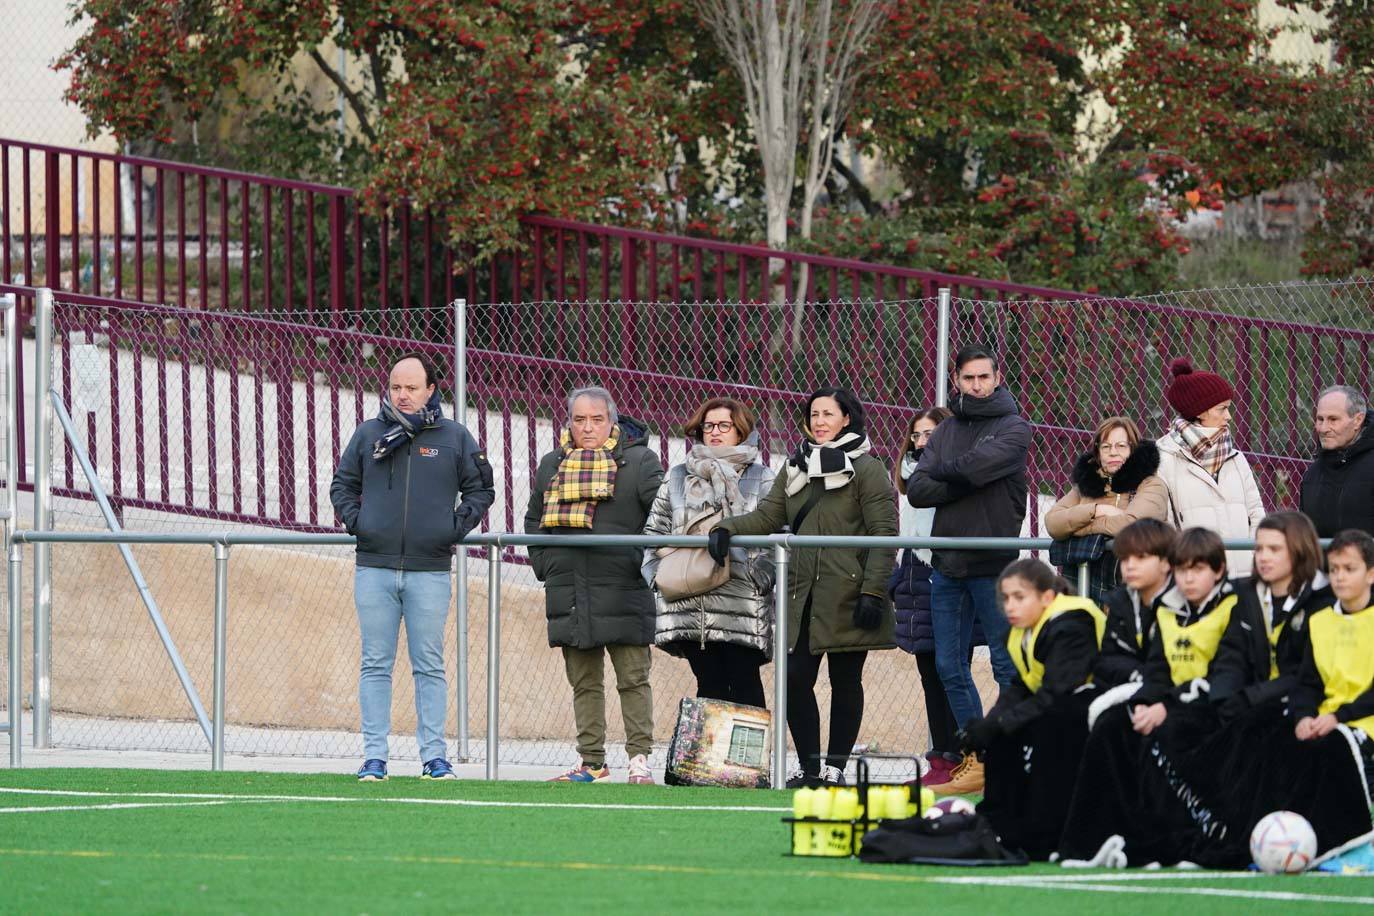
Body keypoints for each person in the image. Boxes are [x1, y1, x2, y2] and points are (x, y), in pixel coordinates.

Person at [709, 387, 897, 788]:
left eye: (828, 414)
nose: (820, 422)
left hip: (849, 594)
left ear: (847, 418)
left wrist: (873, 591)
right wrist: (726, 527)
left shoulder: (867, 469)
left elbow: (884, 533)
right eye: (814, 414)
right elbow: (767, 516)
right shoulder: (796, 466)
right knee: (794, 679)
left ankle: (835, 769)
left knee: (846, 681)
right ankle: (811, 768)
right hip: (802, 596)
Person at [330, 351, 495, 782]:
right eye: (396, 387)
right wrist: (359, 523)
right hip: (374, 568)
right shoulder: (368, 435)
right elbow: (342, 484)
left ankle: (435, 758)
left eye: (411, 387)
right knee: (375, 663)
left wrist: (452, 529)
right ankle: (374, 758)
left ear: (431, 390)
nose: (402, 395)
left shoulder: (454, 437)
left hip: (430, 570)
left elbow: (481, 489)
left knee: (429, 664)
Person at [1059, 528, 1258, 866]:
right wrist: (1147, 702)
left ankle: (1177, 842)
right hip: (1171, 700)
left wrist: (1165, 706)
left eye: (1197, 570)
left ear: (1219, 571)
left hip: (1216, 705)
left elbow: (1226, 675)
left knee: (1168, 731)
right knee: (1112, 724)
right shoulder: (1165, 610)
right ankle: (1094, 841)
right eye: (1184, 570)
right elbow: (1155, 669)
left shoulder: (1235, 608)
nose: (1188, 578)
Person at [907, 344, 1031, 796]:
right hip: (947, 565)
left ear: (997, 377)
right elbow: (918, 489)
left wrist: (948, 474)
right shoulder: (945, 431)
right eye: (968, 378)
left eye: (983, 377)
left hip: (994, 567)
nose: (976, 385)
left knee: (1006, 665)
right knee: (948, 666)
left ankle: (1012, 752)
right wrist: (965, 475)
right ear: (956, 380)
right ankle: (979, 756)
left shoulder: (1015, 427)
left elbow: (980, 468)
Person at [525, 387, 665, 784]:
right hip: (570, 590)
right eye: (579, 419)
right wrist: (546, 565)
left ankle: (639, 761)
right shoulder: (552, 463)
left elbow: (662, 515)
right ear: (569, 422)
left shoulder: (639, 461)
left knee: (633, 680)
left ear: (612, 423)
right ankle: (592, 764)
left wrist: (642, 565)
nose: (587, 428)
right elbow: (534, 520)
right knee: (584, 683)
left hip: (624, 588)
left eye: (596, 419)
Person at [960, 559, 1104, 859]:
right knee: (1000, 735)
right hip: (1060, 703)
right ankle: (997, 823)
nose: (1010, 606)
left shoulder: (1072, 624)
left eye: (1019, 597)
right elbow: (1023, 686)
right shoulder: (1023, 631)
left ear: (1047, 598)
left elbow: (1059, 691)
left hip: (1094, 706)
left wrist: (1004, 723)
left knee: (1042, 727)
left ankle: (1044, 833)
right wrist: (990, 725)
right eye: (1006, 598)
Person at [642, 397, 774, 707]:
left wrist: (759, 577)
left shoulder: (761, 476)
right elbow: (654, 533)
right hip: (688, 601)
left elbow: (777, 535)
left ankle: (746, 757)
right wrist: (658, 578)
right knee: (709, 685)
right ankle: (709, 758)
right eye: (708, 425)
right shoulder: (676, 475)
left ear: (740, 431)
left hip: (741, 599)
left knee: (745, 685)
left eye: (724, 425)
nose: (715, 432)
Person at [888, 406, 973, 787]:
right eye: (917, 436)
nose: (922, 443)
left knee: (953, 671)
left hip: (949, 577)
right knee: (929, 675)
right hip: (916, 582)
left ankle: (963, 758)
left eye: (930, 436)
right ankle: (940, 760)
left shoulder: (956, 477)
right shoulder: (910, 485)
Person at [1212, 511, 1331, 720]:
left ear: (1299, 550)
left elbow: (1306, 674)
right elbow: (1232, 656)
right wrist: (1223, 698)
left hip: (1300, 708)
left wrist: (1250, 698)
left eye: (1274, 549)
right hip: (1250, 698)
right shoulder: (1246, 594)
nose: (1263, 557)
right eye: (1259, 549)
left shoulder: (1322, 601)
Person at [1154, 358, 1265, 577]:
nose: (1229, 416)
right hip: (1195, 578)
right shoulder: (1164, 458)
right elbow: (1165, 524)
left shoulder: (1236, 457)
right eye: (1222, 409)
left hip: (1244, 576)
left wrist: (1254, 562)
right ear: (1200, 411)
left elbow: (1257, 513)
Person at [1045, 417, 1169, 603]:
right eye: (1105, 447)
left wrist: (1077, 527)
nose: (1113, 453)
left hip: (1134, 584)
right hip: (1085, 585)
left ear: (1133, 449)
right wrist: (1096, 509)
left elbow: (1133, 527)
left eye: (1121, 446)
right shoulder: (1086, 486)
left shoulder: (1151, 484)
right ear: (1097, 452)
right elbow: (1052, 523)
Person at [1093, 518, 1175, 689]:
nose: (1129, 566)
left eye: (1140, 557)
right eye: (1124, 558)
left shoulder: (1184, 605)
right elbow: (1107, 660)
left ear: (1166, 562)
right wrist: (1137, 675)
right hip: (1129, 686)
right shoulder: (1119, 601)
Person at [1300, 385, 1374, 537]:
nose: (1323, 428)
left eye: (1333, 419)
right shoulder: (1313, 474)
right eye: (1320, 419)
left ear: (1357, 420)